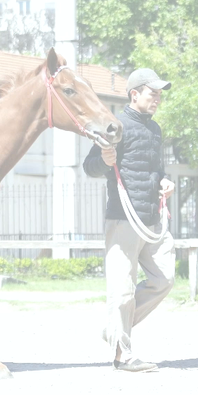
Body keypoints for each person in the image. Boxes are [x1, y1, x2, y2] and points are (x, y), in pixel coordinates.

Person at [82, 68, 176, 372]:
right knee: (122, 291)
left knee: (164, 280)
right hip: (123, 219)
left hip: (151, 219)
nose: (158, 99)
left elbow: (154, 169)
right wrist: (104, 161)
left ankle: (114, 328)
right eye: (153, 93)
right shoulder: (116, 125)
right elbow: (89, 166)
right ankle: (122, 354)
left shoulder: (155, 130)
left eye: (160, 94)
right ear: (134, 94)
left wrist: (164, 181)